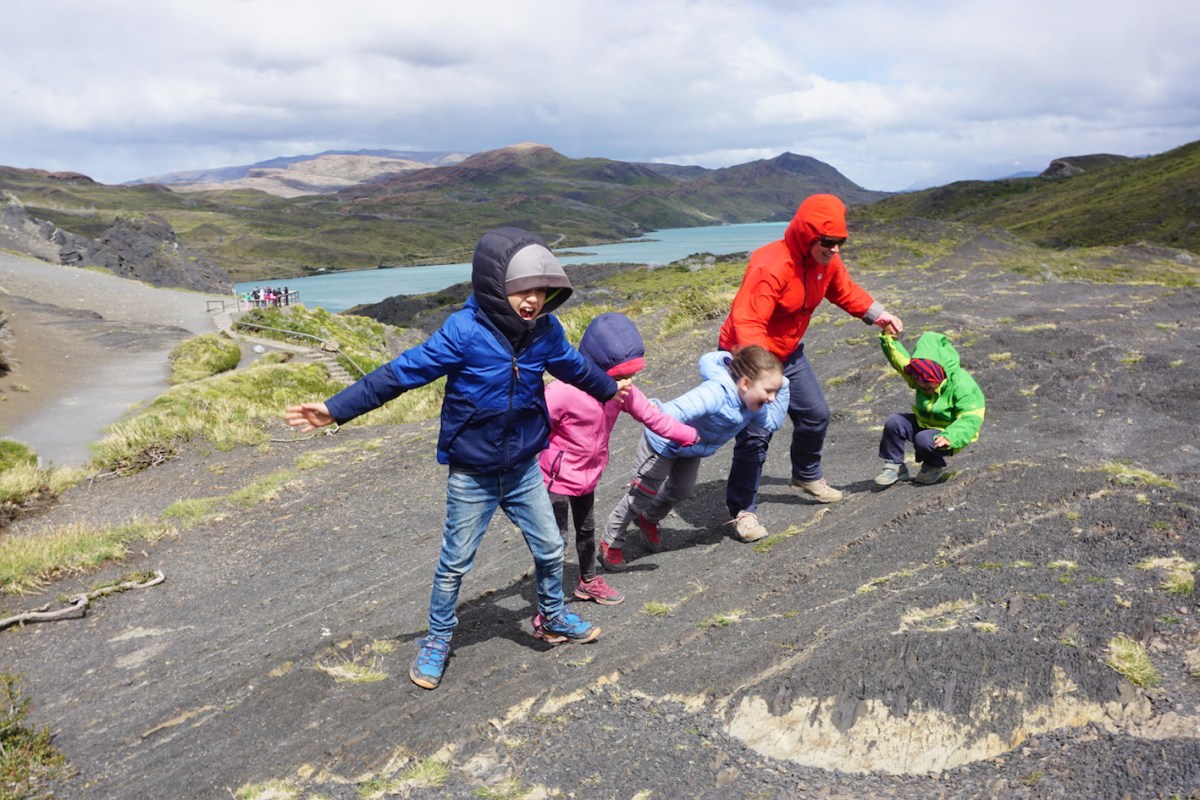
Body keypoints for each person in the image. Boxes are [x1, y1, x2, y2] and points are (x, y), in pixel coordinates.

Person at [284, 227, 629, 690]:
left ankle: (552, 616)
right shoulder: (464, 332)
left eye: (542, 290)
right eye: (523, 289)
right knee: (454, 564)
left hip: (524, 468)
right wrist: (336, 409)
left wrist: (609, 389)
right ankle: (438, 640)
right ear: (495, 285)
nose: (533, 300)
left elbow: (574, 366)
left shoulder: (545, 332)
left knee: (550, 549)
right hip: (473, 474)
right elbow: (400, 374)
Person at [718, 193, 904, 538]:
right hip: (750, 354)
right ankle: (743, 511)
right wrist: (760, 373)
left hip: (788, 353)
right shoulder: (771, 265)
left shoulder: (826, 260)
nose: (835, 249)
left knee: (815, 415)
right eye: (828, 242)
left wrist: (879, 315)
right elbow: (749, 322)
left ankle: (805, 475)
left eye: (840, 242)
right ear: (807, 235)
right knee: (756, 433)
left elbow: (844, 290)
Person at [539, 312, 699, 605]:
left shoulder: (623, 393)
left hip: (587, 476)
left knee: (586, 531)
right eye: (619, 377)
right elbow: (534, 428)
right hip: (554, 479)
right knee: (555, 540)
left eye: (631, 376)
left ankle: (587, 582)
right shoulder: (562, 391)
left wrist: (686, 434)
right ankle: (549, 601)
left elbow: (653, 417)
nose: (627, 383)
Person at [601, 345, 789, 570]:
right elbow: (676, 411)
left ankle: (648, 518)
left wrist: (784, 385)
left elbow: (773, 422)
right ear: (746, 383)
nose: (772, 398)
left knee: (682, 490)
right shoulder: (715, 392)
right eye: (768, 390)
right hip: (662, 442)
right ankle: (611, 542)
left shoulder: (752, 405)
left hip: (691, 448)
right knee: (641, 495)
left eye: (775, 392)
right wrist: (652, 409)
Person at [874, 331, 986, 486]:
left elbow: (971, 417)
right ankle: (895, 466)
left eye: (928, 385)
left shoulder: (962, 385)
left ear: (939, 375)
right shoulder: (919, 374)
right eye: (919, 383)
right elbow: (898, 360)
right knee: (895, 422)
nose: (923, 386)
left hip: (949, 433)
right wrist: (888, 337)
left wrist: (951, 436)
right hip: (924, 424)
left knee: (924, 439)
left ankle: (933, 466)